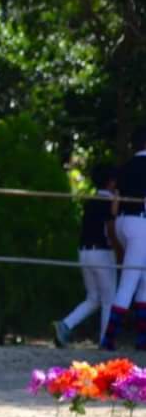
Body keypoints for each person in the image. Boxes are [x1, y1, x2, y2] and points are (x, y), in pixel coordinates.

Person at [53, 164, 119, 348]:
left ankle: (66, 324)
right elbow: (110, 229)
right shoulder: (109, 202)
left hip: (84, 253)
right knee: (109, 299)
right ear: (111, 182)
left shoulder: (90, 201)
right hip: (102, 253)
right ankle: (106, 340)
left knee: (93, 298)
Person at [101, 125, 146, 350]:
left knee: (143, 281)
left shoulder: (124, 167)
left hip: (123, 222)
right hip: (140, 223)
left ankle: (142, 339)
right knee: (129, 281)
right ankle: (108, 338)